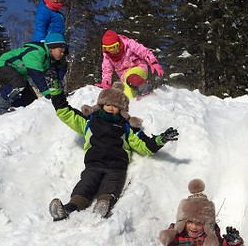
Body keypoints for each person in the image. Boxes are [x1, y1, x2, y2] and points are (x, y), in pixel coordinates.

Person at [47, 82, 179, 220]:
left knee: (110, 188)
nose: (111, 108)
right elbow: (65, 113)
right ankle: (69, 208)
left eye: (116, 106)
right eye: (108, 104)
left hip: (116, 168)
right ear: (101, 104)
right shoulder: (89, 121)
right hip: (94, 165)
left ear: (122, 109)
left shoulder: (127, 127)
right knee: (85, 185)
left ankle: (102, 207)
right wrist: (56, 92)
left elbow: (145, 146)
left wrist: (161, 139)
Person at [0, 33, 68, 115]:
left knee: (30, 99)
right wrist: (46, 92)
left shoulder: (48, 60)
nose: (62, 54)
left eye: (63, 52)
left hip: (20, 72)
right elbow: (37, 75)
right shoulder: (37, 52)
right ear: (51, 48)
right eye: (60, 51)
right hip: (5, 64)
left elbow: (53, 75)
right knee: (18, 84)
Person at [95, 30, 164, 96]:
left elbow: (144, 51)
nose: (112, 51)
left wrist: (153, 62)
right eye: (108, 48)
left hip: (138, 67)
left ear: (119, 43)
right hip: (124, 77)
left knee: (131, 77)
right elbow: (107, 70)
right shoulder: (107, 55)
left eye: (114, 47)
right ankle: (139, 103)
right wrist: (106, 83)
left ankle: (146, 90)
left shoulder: (129, 44)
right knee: (127, 95)